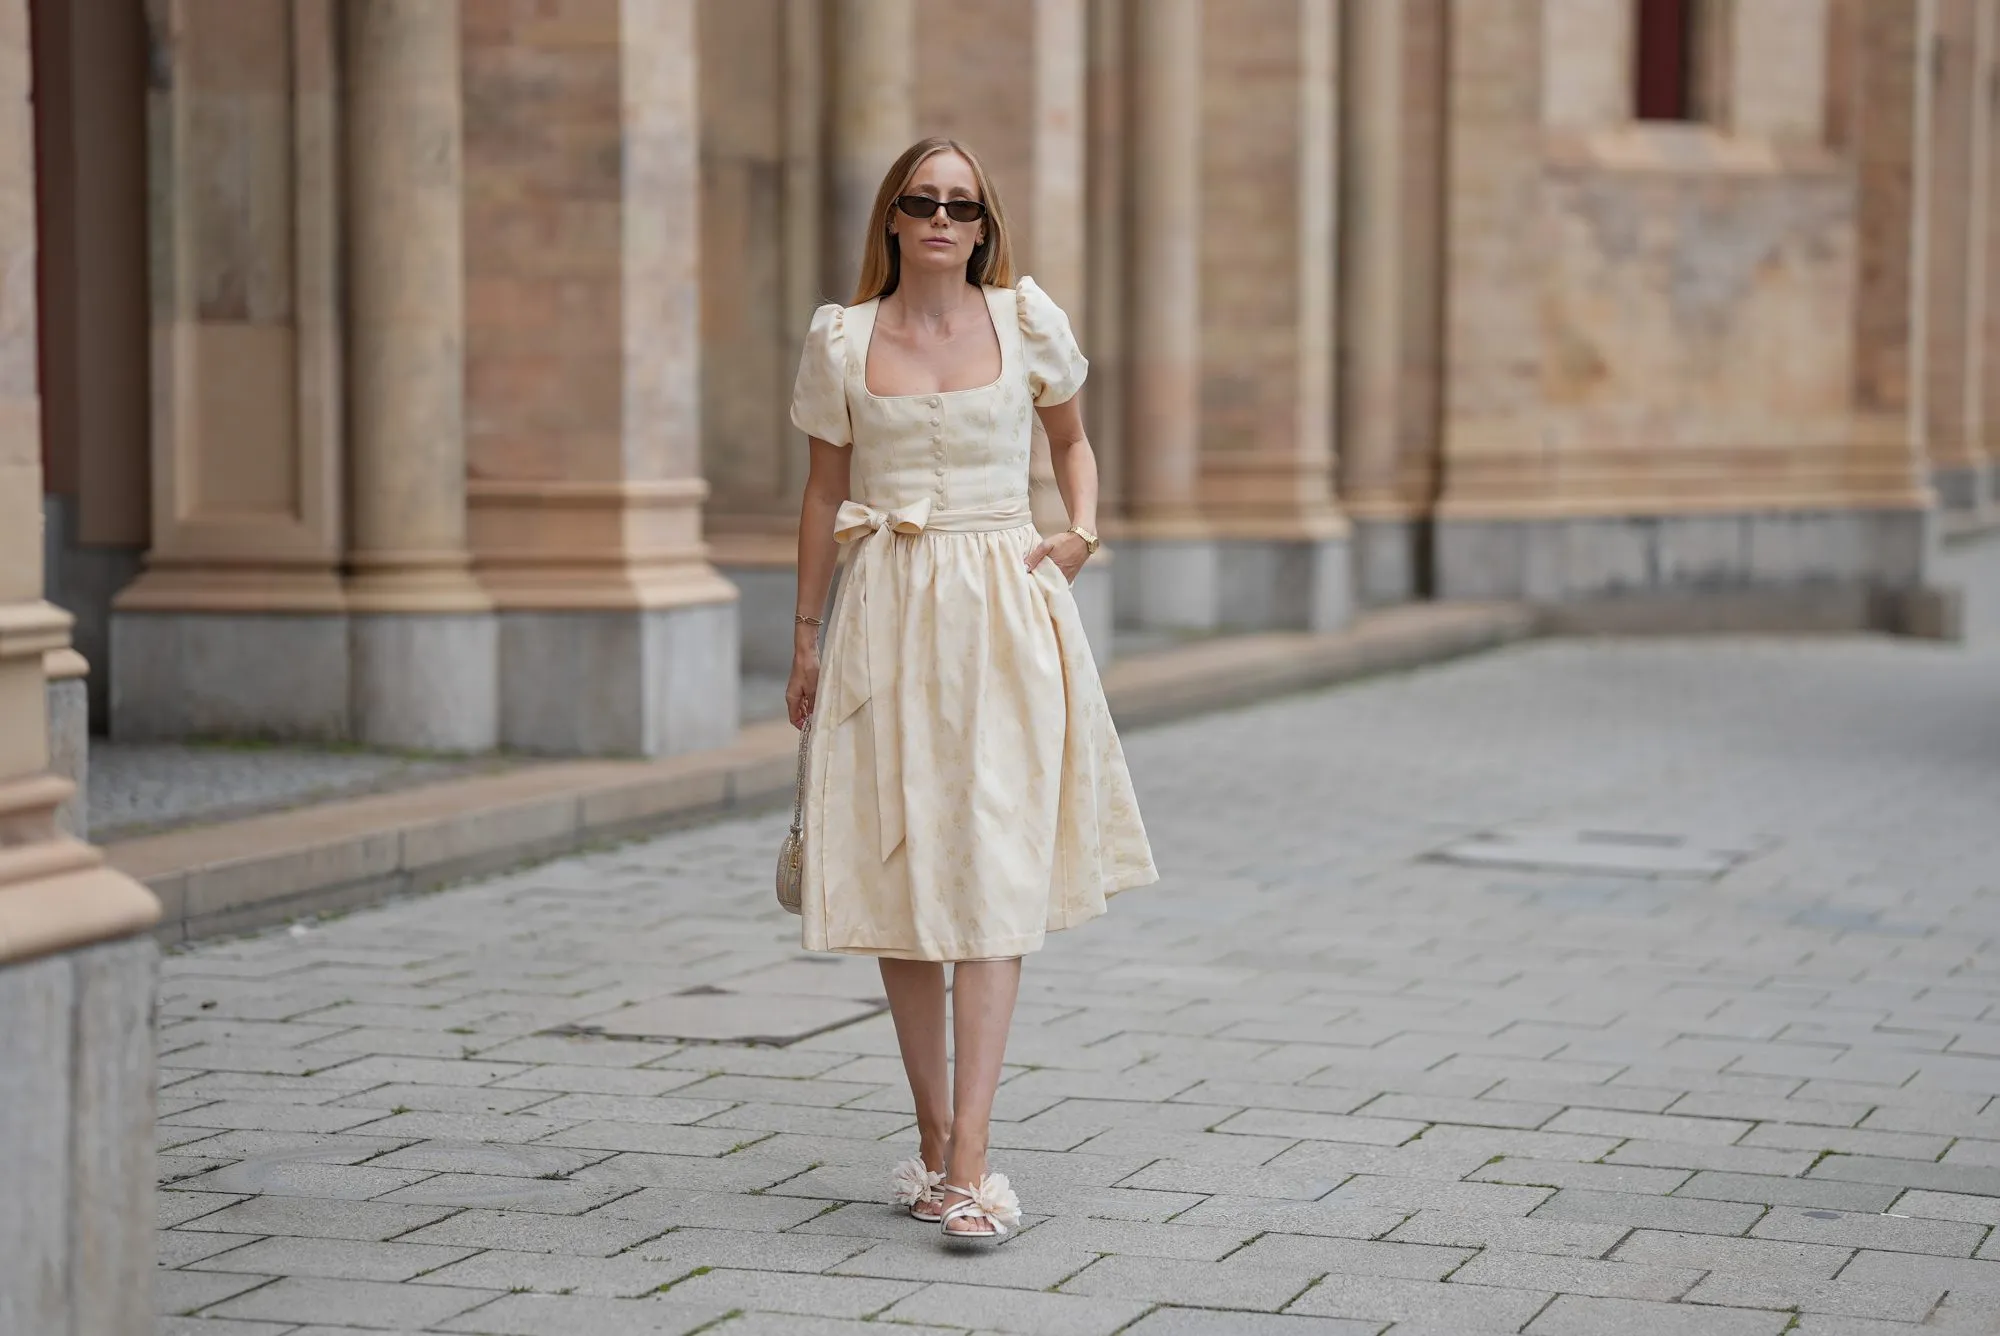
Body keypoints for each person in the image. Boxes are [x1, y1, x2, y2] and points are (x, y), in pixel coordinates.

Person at [784, 137, 1157, 1242]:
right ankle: (935, 1133)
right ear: (891, 221)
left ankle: (974, 1167)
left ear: (984, 224)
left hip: (1003, 605)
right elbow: (819, 498)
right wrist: (804, 638)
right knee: (901, 862)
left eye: (963, 204)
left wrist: (1079, 532)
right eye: (921, 201)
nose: (942, 218)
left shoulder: (1027, 321)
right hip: (884, 606)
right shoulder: (842, 339)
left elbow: (1073, 443)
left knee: (992, 865)